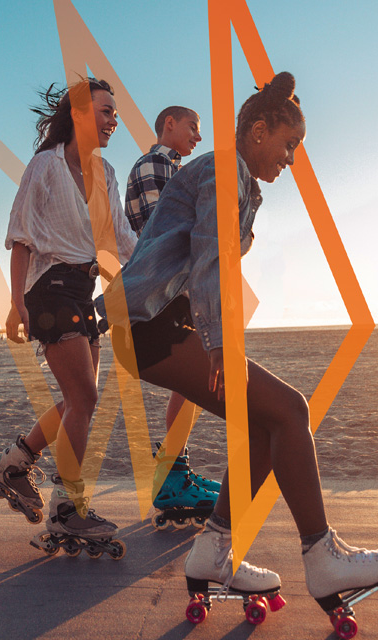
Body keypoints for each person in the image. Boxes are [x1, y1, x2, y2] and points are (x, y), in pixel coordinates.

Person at [102, 72, 378, 606]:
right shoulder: (223, 171)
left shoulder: (236, 179)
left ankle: (213, 552)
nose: (290, 159)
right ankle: (323, 557)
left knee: (271, 423)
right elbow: (209, 257)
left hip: (158, 325)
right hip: (150, 326)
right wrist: (220, 343)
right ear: (259, 131)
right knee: (290, 410)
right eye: (289, 146)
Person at [0, 78, 137, 554]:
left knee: (75, 401)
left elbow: (121, 239)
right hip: (48, 289)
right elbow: (21, 233)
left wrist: (167, 260)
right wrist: (16, 303)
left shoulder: (105, 173)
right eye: (107, 111)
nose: (114, 121)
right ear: (81, 114)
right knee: (84, 396)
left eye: (116, 114)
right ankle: (69, 509)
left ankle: (14, 463)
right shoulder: (45, 165)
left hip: (83, 291)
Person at [123, 106, 220, 523]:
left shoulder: (173, 169)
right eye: (193, 127)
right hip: (161, 294)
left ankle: (173, 469)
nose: (198, 136)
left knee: (194, 382)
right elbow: (167, 232)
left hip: (175, 291)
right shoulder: (155, 166)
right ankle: (170, 473)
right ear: (169, 125)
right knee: (196, 377)